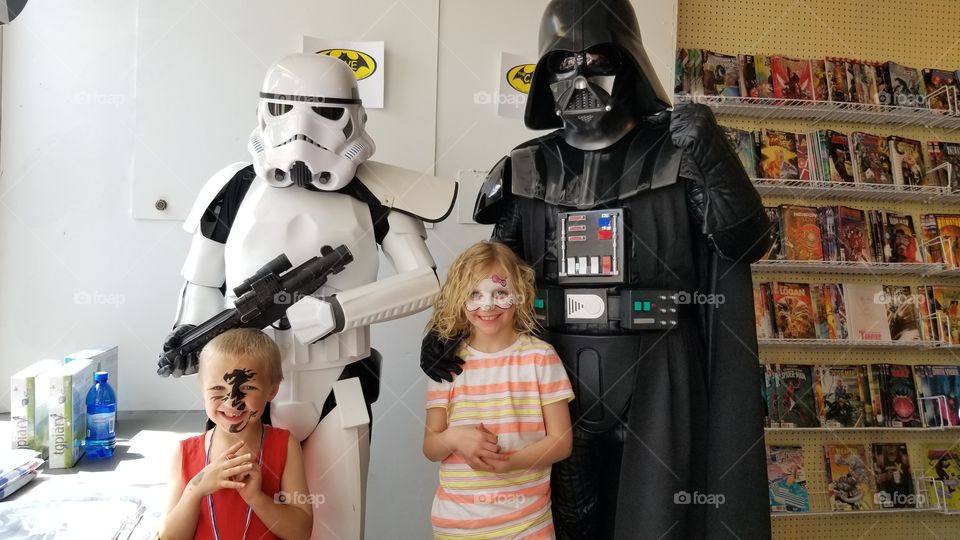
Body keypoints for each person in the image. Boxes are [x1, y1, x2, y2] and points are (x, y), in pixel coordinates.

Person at [421, 1, 773, 538]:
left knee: (657, 519)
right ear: (545, 75)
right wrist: (446, 330)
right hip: (553, 368)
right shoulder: (526, 165)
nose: (580, 77)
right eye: (563, 63)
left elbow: (745, 242)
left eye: (596, 59)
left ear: (629, 60)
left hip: (657, 365)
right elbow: (493, 267)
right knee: (567, 520)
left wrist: (714, 156)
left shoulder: (676, 154)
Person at [422, 241, 575, 539]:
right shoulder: (446, 366)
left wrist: (511, 463)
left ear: (519, 294)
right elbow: (430, 447)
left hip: (527, 524)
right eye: (474, 294)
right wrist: (454, 437)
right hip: (457, 525)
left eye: (500, 293)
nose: (487, 305)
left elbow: (561, 440)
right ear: (458, 299)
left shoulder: (541, 358)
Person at [160, 328, 312, 540]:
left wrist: (256, 498)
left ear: (272, 390)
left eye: (248, 387)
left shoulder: (285, 446)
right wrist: (196, 488)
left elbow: (301, 533)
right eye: (217, 389)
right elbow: (169, 537)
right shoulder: (183, 453)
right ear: (202, 388)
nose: (231, 401)